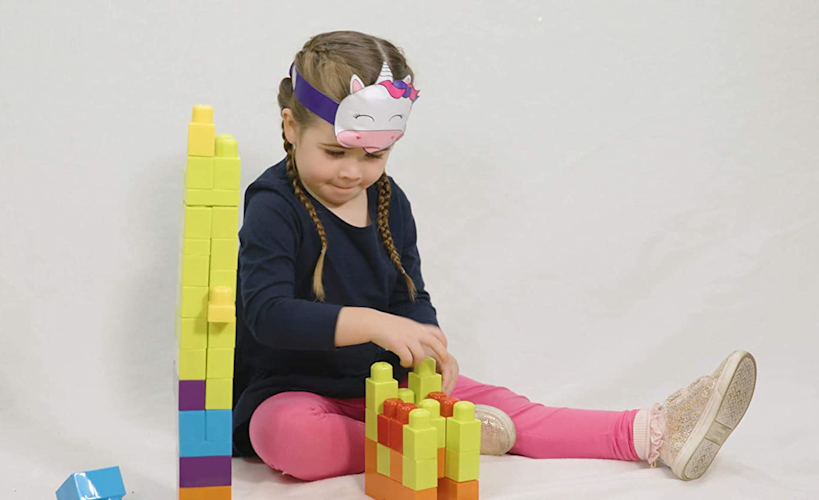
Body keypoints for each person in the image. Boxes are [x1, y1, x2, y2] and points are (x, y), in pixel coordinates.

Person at [230, 30, 757, 483]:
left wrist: (426, 340)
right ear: (291, 127)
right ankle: (435, 443)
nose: (353, 171)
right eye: (335, 152)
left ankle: (653, 432)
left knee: (509, 410)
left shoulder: (389, 201)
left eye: (375, 154)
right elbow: (267, 313)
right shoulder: (274, 204)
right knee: (285, 436)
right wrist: (372, 323)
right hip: (293, 392)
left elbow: (408, 294)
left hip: (386, 385)